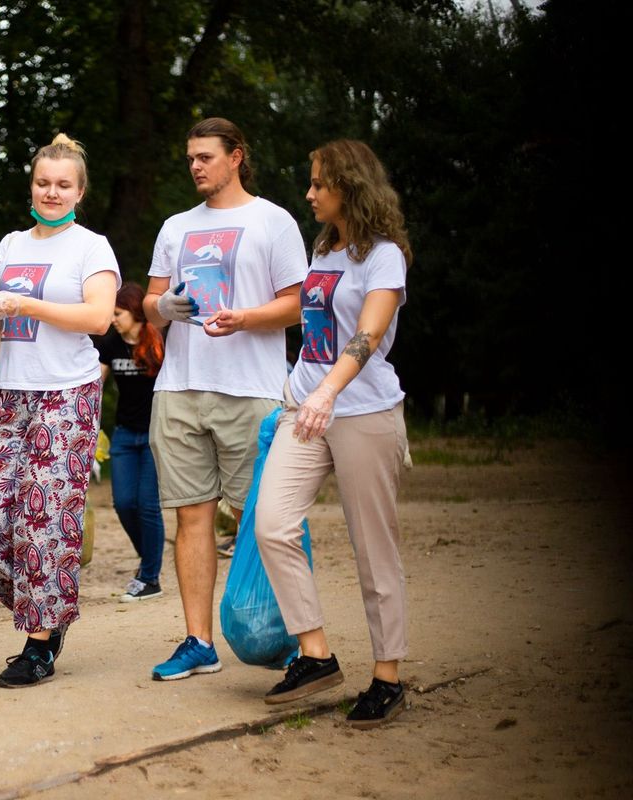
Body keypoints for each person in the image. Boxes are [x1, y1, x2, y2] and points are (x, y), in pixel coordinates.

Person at [254, 139, 413, 729]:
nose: (310, 193)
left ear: (350, 185)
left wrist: (329, 390)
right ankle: (316, 653)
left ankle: (387, 676)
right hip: (306, 409)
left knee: (374, 550)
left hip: (363, 413)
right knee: (272, 524)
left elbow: (368, 332)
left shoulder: (384, 256)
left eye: (319, 183)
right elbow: (311, 320)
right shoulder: (326, 249)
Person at [143, 117, 307, 681]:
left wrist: (245, 319)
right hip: (180, 388)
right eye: (190, 157)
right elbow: (151, 301)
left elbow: (298, 304)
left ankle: (291, 638)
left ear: (236, 157)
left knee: (260, 518)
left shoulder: (274, 221)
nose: (195, 166)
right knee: (192, 518)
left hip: (252, 390)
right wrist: (163, 309)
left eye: (205, 157)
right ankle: (198, 641)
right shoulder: (175, 227)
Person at [0, 133, 119, 688]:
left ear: (79, 192)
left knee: (41, 522)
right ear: (31, 185)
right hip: (9, 391)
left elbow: (99, 319)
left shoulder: (91, 247)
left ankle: (38, 641)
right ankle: (47, 613)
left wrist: (23, 302)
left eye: (62, 185)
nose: (51, 192)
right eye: (42, 182)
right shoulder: (11, 244)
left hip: (67, 392)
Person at [96, 282, 167, 602]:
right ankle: (149, 559)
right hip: (124, 433)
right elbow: (95, 384)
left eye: (118, 313)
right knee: (124, 503)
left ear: (135, 313)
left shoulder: (160, 341)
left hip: (155, 433)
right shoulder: (111, 343)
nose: (112, 318)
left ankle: (149, 577)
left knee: (147, 505)